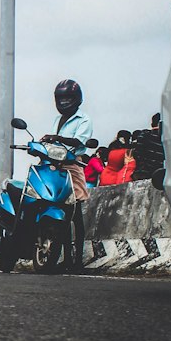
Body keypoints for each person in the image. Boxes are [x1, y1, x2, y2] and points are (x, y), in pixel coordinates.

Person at [51, 78, 94, 270]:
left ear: (76, 99)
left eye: (68, 98)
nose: (64, 102)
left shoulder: (83, 119)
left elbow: (79, 142)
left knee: (75, 215)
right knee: (61, 216)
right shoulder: (57, 120)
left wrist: (57, 138)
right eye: (61, 98)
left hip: (72, 167)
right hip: (56, 168)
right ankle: (65, 259)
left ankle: (77, 261)